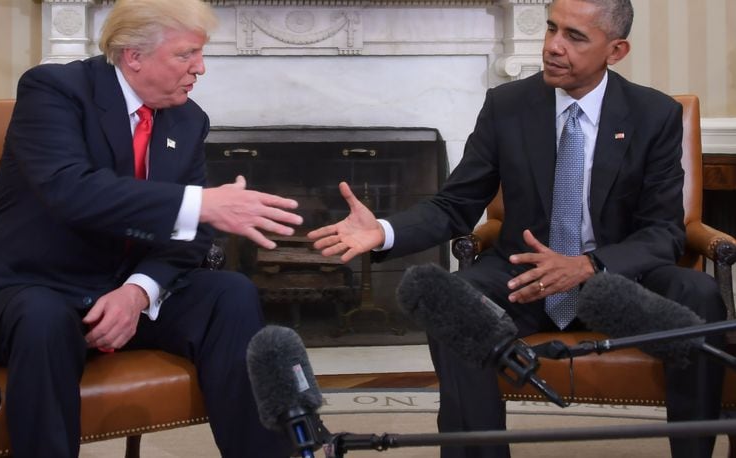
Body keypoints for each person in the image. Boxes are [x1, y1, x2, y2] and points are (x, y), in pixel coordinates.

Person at [308, 0, 725, 457]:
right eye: (551, 29)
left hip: (619, 282)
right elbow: (455, 204)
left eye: (574, 36)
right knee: (452, 302)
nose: (553, 47)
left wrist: (589, 265)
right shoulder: (508, 105)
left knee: (699, 296)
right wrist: (384, 231)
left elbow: (663, 231)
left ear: (617, 49)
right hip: (525, 278)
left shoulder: (653, 114)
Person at [0, 0, 299, 456]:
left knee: (231, 293)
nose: (200, 69)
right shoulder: (54, 90)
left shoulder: (188, 118)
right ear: (133, 55)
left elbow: (190, 235)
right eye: (186, 55)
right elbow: (72, 191)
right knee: (44, 320)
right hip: (34, 285)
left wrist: (138, 292)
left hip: (122, 290)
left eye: (200, 54)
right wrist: (202, 202)